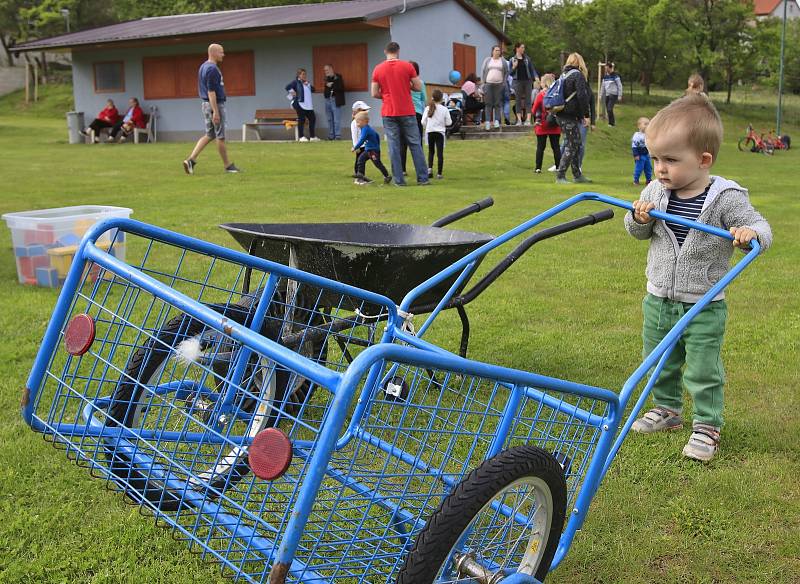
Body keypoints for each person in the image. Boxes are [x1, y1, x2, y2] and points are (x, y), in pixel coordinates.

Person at [625, 93, 772, 462]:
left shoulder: (725, 198)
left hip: (704, 302)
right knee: (659, 359)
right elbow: (637, 231)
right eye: (656, 157)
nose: (659, 167)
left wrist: (749, 235)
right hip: (659, 296)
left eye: (671, 160)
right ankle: (667, 409)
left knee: (703, 366)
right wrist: (639, 219)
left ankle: (707, 425)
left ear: (704, 160)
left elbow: (760, 226)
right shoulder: (655, 191)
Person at [371, 41, 429, 186]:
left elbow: (373, 93)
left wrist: (385, 95)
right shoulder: (407, 66)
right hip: (407, 110)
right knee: (415, 144)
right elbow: (418, 86)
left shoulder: (378, 69)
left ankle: (399, 180)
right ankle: (422, 178)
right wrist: (406, 85)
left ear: (385, 51)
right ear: (398, 51)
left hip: (389, 111)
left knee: (394, 146)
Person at [182, 44, 240, 174]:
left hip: (206, 105)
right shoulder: (212, 69)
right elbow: (211, 92)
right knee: (220, 136)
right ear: (213, 53)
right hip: (215, 105)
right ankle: (228, 166)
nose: (223, 55)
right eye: (221, 52)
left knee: (210, 134)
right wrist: (216, 111)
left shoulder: (203, 66)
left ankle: (190, 160)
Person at [555, 53, 592, 184]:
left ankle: (577, 175)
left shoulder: (563, 75)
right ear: (579, 62)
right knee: (572, 145)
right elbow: (582, 96)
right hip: (569, 115)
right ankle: (560, 175)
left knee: (575, 143)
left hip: (560, 113)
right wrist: (586, 115)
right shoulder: (577, 75)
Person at [400, 61, 427, 175]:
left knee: (402, 143)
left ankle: (402, 169)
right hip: (417, 114)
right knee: (417, 142)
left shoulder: (403, 83)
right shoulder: (420, 83)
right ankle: (420, 169)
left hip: (404, 113)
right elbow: (423, 99)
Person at [352, 111, 391, 185]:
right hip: (368, 150)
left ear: (365, 121)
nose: (357, 124)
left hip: (373, 151)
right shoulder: (366, 128)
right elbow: (377, 135)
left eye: (358, 122)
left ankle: (387, 176)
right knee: (360, 160)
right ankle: (361, 175)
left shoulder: (366, 129)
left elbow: (362, 139)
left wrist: (355, 147)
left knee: (378, 164)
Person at [532, 73, 561, 174]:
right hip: (555, 124)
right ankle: (558, 166)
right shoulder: (557, 94)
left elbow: (534, 109)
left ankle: (538, 167)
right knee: (556, 147)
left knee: (540, 147)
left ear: (543, 83)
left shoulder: (541, 95)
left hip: (542, 124)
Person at [421, 89, 452, 179]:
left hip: (430, 132)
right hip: (440, 132)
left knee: (431, 151)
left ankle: (429, 169)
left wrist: (427, 126)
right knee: (440, 153)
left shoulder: (428, 108)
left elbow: (423, 121)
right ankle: (439, 173)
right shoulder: (444, 109)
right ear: (441, 98)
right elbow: (449, 122)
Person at [509, 42, 539, 126]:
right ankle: (519, 120)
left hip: (528, 81)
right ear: (517, 48)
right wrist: (514, 67)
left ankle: (528, 120)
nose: (523, 49)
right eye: (522, 47)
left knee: (528, 100)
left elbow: (532, 69)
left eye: (524, 48)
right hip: (517, 82)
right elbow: (510, 73)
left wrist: (536, 77)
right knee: (518, 100)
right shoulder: (512, 59)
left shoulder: (527, 58)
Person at [286, 68, 319, 142]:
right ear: (299, 75)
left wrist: (308, 85)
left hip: (308, 105)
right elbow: (287, 87)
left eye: (305, 74)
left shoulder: (306, 83)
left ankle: (312, 137)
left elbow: (314, 90)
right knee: (302, 119)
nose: (304, 76)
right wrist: (293, 92)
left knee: (312, 119)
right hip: (300, 103)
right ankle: (301, 137)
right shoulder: (296, 82)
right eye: (303, 74)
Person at [480, 45, 508, 130]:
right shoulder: (488, 60)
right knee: (488, 103)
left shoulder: (502, 61)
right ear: (492, 51)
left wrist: (504, 83)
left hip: (499, 85)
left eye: (499, 50)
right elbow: (483, 71)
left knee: (497, 103)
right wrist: (483, 83)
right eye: (496, 50)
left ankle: (497, 121)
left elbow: (506, 72)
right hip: (488, 84)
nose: (498, 52)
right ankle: (488, 121)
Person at [323, 64, 345, 140]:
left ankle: (338, 136)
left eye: (327, 70)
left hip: (335, 100)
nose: (326, 72)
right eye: (325, 70)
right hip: (328, 100)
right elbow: (326, 90)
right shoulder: (326, 78)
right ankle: (331, 135)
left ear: (331, 69)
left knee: (336, 119)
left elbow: (341, 87)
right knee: (329, 119)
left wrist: (332, 85)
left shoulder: (338, 77)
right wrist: (327, 85)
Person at [350, 100, 371, 177]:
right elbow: (354, 135)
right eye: (364, 110)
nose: (366, 112)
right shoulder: (355, 123)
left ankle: (359, 173)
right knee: (359, 160)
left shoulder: (363, 121)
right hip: (360, 146)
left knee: (361, 160)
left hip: (365, 144)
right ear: (358, 111)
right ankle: (358, 173)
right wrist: (356, 146)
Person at [599, 62, 623, 127]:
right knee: (608, 109)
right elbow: (602, 87)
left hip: (613, 94)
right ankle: (611, 122)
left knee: (609, 109)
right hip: (607, 94)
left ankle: (611, 123)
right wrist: (600, 95)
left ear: (611, 68)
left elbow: (619, 85)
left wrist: (620, 95)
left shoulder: (616, 76)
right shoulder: (605, 77)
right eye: (605, 69)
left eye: (607, 69)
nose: (606, 70)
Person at [631, 116, 652, 185]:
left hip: (647, 155)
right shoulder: (637, 135)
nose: (647, 126)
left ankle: (649, 180)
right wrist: (636, 154)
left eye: (648, 124)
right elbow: (634, 146)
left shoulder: (649, 135)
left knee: (648, 168)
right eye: (645, 124)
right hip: (640, 155)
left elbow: (650, 145)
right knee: (639, 168)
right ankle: (636, 180)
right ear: (639, 126)